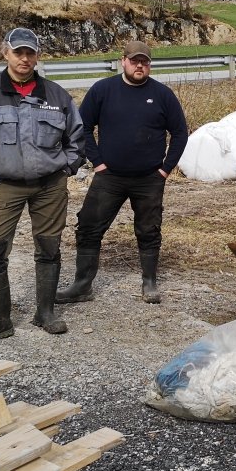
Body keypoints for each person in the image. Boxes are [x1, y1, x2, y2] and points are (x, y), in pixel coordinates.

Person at [0, 27, 85, 347]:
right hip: (5, 185)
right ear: (6, 53)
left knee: (49, 248)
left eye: (30, 53)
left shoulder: (57, 96)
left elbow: (77, 138)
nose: (24, 59)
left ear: (37, 56)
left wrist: (65, 170)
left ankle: (46, 313)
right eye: (18, 52)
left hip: (50, 186)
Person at [56, 40, 189, 305]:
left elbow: (180, 133)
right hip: (110, 176)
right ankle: (82, 285)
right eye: (134, 61)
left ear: (150, 65)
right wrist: (97, 162)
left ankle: (149, 282)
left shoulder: (162, 94)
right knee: (89, 226)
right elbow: (82, 127)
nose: (140, 66)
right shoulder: (103, 90)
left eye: (145, 62)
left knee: (149, 230)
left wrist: (165, 169)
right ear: (123, 61)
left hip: (149, 178)